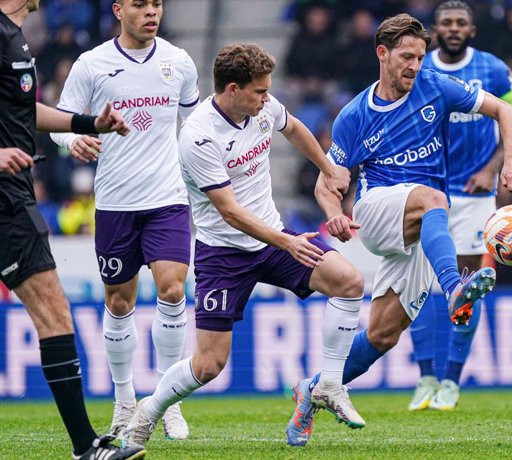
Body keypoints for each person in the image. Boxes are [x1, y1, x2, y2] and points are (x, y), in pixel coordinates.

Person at [286, 13, 512, 446]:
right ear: (382, 54)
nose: (415, 66)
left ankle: (315, 389)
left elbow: (506, 109)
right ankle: (454, 286)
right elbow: (329, 183)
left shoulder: (436, 86)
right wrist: (334, 212)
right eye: (406, 57)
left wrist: (511, 158)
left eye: (419, 57)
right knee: (433, 198)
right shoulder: (355, 116)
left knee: (382, 334)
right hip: (378, 211)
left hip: (417, 226)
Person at [121, 42, 366, 449]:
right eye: (259, 91)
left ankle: (328, 386)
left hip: (271, 238)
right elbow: (230, 212)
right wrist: (287, 242)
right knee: (208, 365)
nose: (267, 98)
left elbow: (295, 128)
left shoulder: (263, 107)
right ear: (232, 89)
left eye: (268, 90)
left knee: (349, 281)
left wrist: (327, 166)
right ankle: (148, 411)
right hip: (224, 254)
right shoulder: (199, 137)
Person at [0, 1, 145, 458]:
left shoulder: (14, 34)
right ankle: (87, 447)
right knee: (54, 314)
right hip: (5, 198)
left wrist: (89, 123)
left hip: (14, 193)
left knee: (52, 313)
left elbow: (25, 111)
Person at [50, 0, 200, 441]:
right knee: (119, 303)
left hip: (168, 199)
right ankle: (123, 400)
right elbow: (60, 120)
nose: (152, 12)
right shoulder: (92, 64)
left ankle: (166, 402)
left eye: (157, 4)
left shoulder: (178, 61)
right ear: (119, 10)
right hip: (115, 202)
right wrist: (72, 140)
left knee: (173, 289)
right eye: (141, 4)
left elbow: (194, 124)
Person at [407, 0, 512, 413]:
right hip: (427, 192)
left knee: (469, 287)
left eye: (461, 23)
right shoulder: (420, 69)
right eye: (446, 23)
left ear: (471, 30)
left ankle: (451, 383)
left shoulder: (491, 68)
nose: (454, 28)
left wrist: (495, 166)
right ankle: (424, 377)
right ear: (435, 30)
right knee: (417, 284)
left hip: (475, 195)